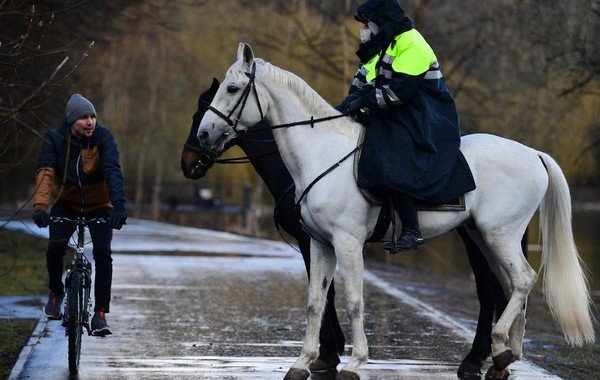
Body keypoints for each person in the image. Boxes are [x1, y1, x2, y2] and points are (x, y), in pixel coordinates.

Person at [339, 0, 475, 253]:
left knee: (390, 151)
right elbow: (377, 83)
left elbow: (397, 92)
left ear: (383, 21)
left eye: (369, 22)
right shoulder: (391, 43)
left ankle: (412, 231)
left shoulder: (412, 43)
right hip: (406, 111)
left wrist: (365, 101)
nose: (366, 28)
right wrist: (351, 103)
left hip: (427, 116)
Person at [32, 94, 127, 336]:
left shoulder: (103, 138)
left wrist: (119, 208)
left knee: (103, 253)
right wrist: (40, 207)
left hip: (100, 204)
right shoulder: (55, 140)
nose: (90, 122)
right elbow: (45, 174)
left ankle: (100, 314)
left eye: (93, 116)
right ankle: (56, 293)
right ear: (72, 120)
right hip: (67, 203)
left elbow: (113, 171)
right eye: (84, 117)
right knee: (55, 248)